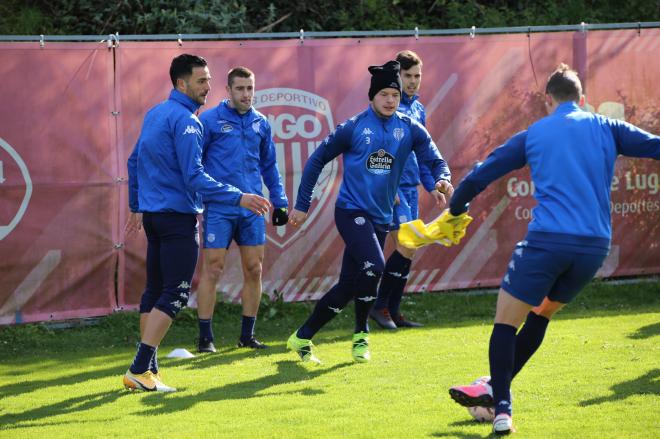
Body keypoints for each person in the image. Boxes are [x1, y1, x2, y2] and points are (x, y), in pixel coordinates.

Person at [446, 63, 660, 434]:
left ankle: (502, 409)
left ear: (548, 100)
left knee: (504, 323)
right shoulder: (606, 126)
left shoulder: (534, 133)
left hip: (547, 242)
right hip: (594, 249)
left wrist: (455, 208)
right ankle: (495, 388)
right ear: (584, 99)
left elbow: (482, 173)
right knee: (542, 313)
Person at [286, 60, 453, 364]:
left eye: (395, 95)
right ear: (372, 96)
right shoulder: (353, 127)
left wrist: (444, 179)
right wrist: (302, 204)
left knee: (351, 283)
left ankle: (304, 336)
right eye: (384, 94)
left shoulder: (410, 127)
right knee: (374, 266)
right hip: (351, 211)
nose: (390, 100)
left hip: (380, 216)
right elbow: (316, 159)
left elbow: (435, 158)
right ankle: (360, 332)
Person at [123, 54, 271, 392]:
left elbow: (134, 162)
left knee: (155, 290)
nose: (208, 86)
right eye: (201, 81)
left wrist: (136, 205)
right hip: (177, 218)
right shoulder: (189, 121)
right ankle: (139, 368)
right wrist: (239, 196)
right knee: (174, 293)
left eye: (208, 79)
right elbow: (194, 177)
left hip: (156, 218)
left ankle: (148, 372)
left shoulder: (156, 113)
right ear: (181, 84)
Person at [195, 66, 288, 353]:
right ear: (228, 90)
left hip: (253, 210)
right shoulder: (209, 120)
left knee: (254, 268)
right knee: (213, 269)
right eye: (240, 89)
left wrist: (281, 200)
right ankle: (205, 338)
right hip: (220, 208)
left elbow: (269, 166)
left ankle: (247, 335)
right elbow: (194, 165)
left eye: (250, 88)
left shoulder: (261, 123)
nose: (246, 94)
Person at [370, 50, 439, 330]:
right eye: (407, 76)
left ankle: (392, 310)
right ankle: (379, 307)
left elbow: (422, 153)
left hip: (411, 188)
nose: (412, 81)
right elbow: (377, 150)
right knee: (405, 245)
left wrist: (433, 186)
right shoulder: (389, 107)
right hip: (393, 189)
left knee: (409, 249)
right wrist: (388, 185)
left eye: (416, 76)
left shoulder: (418, 110)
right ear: (397, 77)